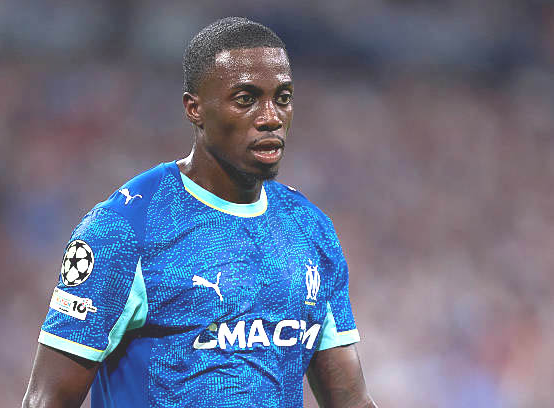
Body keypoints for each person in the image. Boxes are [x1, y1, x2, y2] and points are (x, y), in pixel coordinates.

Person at [23, 17, 377, 408]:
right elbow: (47, 400)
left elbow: (351, 401)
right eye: (246, 99)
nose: (271, 117)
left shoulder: (310, 229)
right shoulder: (125, 230)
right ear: (195, 109)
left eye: (283, 97)